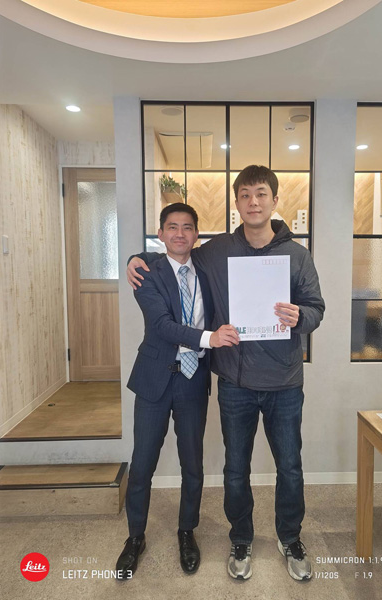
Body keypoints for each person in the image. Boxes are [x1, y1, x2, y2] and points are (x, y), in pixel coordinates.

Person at [127, 165, 325, 582]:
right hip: (235, 382)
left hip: (285, 382)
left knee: (290, 466)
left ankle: (290, 537)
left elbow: (316, 309)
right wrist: (137, 258)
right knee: (236, 469)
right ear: (236, 203)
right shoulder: (217, 250)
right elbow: (176, 254)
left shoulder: (297, 255)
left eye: (261, 194)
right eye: (245, 195)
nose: (254, 202)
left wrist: (301, 316)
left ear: (274, 200)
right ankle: (241, 538)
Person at [117, 203, 239, 579]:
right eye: (172, 227)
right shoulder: (147, 272)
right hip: (154, 380)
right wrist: (209, 338)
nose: (180, 233)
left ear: (196, 235)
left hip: (192, 380)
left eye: (187, 227)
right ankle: (135, 537)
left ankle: (187, 532)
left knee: (193, 465)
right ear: (161, 234)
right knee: (142, 465)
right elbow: (162, 325)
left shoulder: (206, 270)